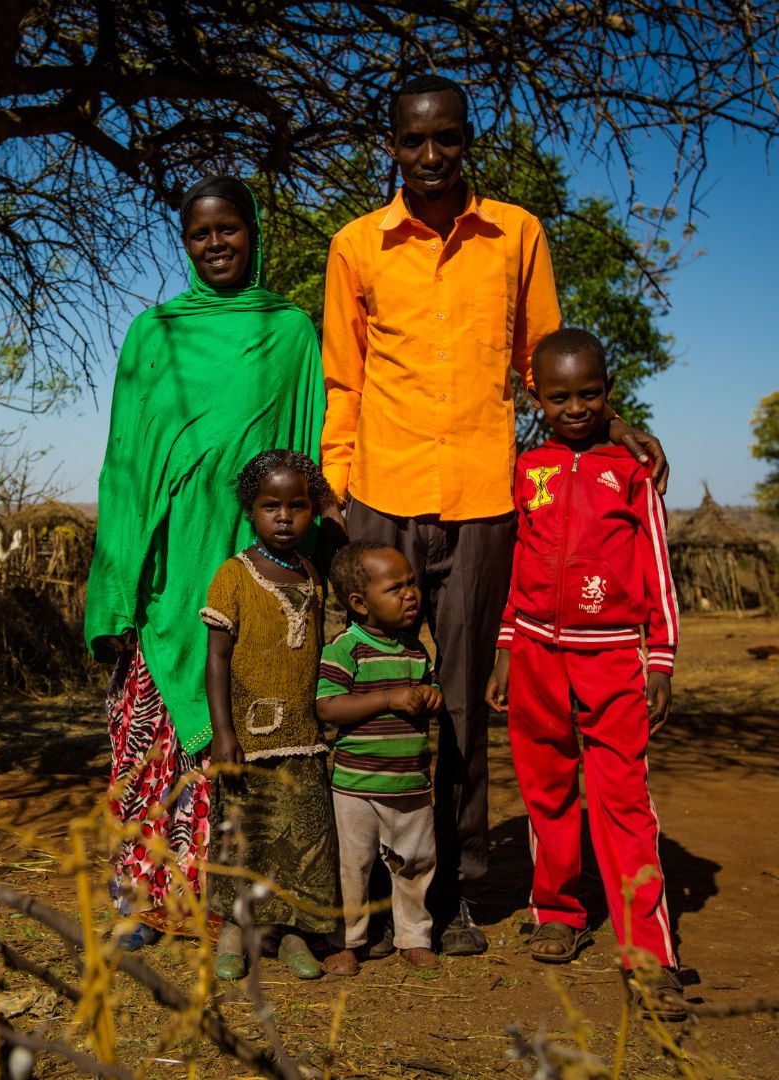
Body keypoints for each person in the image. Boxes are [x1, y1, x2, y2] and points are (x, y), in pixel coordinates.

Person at [320, 73, 667, 955]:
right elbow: (344, 380)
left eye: (448, 139)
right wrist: (338, 485)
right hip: (379, 497)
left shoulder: (517, 233)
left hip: (483, 500)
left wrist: (617, 427)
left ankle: (461, 889)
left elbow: (543, 362)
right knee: (364, 693)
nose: (431, 157)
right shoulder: (356, 246)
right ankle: (356, 883)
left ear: (469, 139)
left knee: (466, 700)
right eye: (412, 141)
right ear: (389, 145)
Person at [86, 176, 327, 947]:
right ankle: (141, 901)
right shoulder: (151, 333)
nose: (217, 243)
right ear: (184, 243)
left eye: (231, 229)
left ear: (255, 234)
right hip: (165, 562)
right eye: (201, 233)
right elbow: (123, 464)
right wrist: (113, 592)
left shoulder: (289, 331)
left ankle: (230, 901)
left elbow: (306, 445)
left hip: (249, 551)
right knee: (148, 727)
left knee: (248, 724)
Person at [486, 328, 684, 1019]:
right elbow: (518, 564)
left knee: (622, 796)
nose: (577, 408)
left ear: (610, 392)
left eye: (591, 394)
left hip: (613, 653)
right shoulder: (525, 464)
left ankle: (649, 949)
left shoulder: (630, 468)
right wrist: (508, 647)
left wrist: (659, 658)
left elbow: (658, 566)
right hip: (537, 651)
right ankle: (559, 912)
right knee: (546, 788)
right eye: (561, 396)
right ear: (536, 394)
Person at [201, 450, 338, 981]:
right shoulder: (233, 577)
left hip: (303, 737)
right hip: (248, 740)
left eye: (298, 506)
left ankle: (293, 936)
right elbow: (216, 659)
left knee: (304, 839)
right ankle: (236, 932)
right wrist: (222, 732)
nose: (285, 517)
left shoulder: (311, 575)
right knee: (245, 836)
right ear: (249, 511)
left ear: (313, 511)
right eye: (270, 506)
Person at [316, 542, 443, 975]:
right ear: (359, 603)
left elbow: (432, 692)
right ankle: (345, 940)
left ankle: (413, 936)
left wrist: (431, 697)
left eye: (411, 583)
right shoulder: (345, 649)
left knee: (416, 866)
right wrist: (389, 698)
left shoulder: (415, 650)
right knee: (352, 869)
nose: (411, 594)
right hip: (356, 788)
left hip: (410, 786)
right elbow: (328, 707)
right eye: (395, 588)